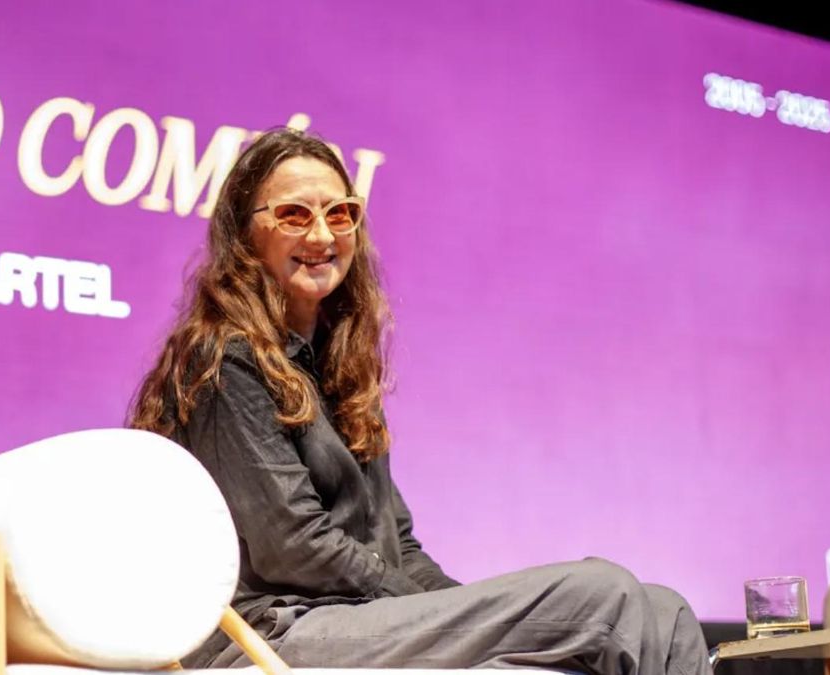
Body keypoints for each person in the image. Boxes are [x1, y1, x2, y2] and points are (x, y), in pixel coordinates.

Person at [127, 128, 712, 675]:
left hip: (355, 617)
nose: (322, 235)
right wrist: (469, 613)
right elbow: (293, 549)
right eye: (294, 215)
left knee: (663, 608)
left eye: (340, 214)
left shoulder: (338, 367)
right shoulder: (224, 359)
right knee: (600, 594)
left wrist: (469, 609)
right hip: (272, 630)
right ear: (245, 235)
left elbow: (398, 545)